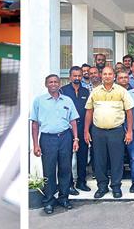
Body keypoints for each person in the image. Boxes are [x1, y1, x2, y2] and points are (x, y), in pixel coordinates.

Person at [31, 74, 80, 214]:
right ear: (46, 84)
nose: (53, 84)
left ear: (59, 84)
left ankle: (64, 198)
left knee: (65, 169)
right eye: (50, 82)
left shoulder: (67, 100)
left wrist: (76, 139)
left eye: (56, 82)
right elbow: (34, 124)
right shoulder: (39, 101)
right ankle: (49, 201)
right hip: (47, 139)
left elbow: (73, 121)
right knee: (49, 170)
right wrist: (35, 144)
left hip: (65, 137)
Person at [84, 67, 134, 199]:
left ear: (114, 76)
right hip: (98, 131)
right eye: (105, 74)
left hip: (116, 131)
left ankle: (116, 186)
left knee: (116, 160)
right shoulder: (95, 92)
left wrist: (129, 131)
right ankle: (102, 187)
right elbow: (89, 111)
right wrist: (86, 131)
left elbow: (129, 112)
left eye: (110, 74)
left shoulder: (122, 91)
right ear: (102, 76)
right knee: (99, 160)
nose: (107, 76)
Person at [59, 66, 91, 193]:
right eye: (75, 76)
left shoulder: (85, 91)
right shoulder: (63, 90)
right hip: (68, 129)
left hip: (83, 128)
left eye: (79, 76)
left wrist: (87, 130)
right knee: (67, 158)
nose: (77, 78)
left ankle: (81, 182)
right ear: (70, 77)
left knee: (82, 157)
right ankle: (69, 184)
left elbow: (89, 110)